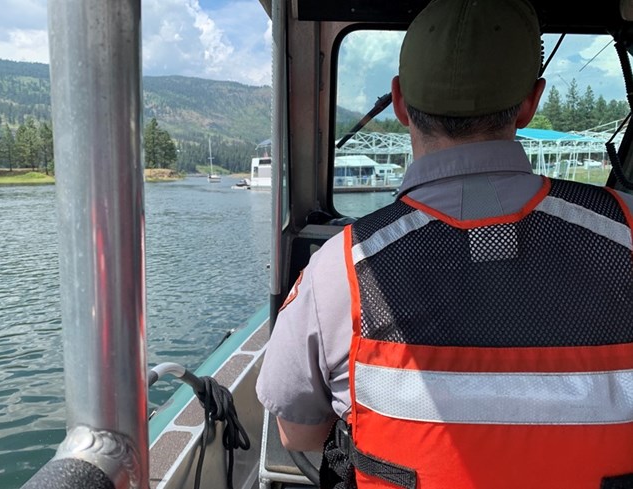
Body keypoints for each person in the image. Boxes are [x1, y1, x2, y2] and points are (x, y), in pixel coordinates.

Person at [256, 0, 633, 487]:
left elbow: (298, 434)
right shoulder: (625, 230)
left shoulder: (342, 268)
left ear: (398, 101)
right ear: (529, 102)